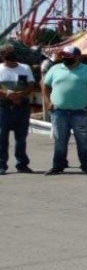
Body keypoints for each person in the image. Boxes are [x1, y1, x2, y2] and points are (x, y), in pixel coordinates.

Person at [42, 45, 87, 174]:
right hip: (59, 111)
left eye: (69, 55)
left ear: (78, 57)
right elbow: (44, 84)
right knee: (59, 140)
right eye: (64, 55)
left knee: (84, 141)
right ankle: (58, 166)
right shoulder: (55, 69)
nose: (65, 57)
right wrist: (47, 102)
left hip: (81, 112)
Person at [0, 44, 35, 174]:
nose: (12, 55)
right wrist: (8, 94)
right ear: (3, 56)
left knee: (21, 138)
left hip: (22, 107)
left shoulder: (25, 68)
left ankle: (22, 164)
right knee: (2, 137)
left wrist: (20, 95)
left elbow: (31, 85)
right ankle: (1, 164)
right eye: (8, 53)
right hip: (3, 107)